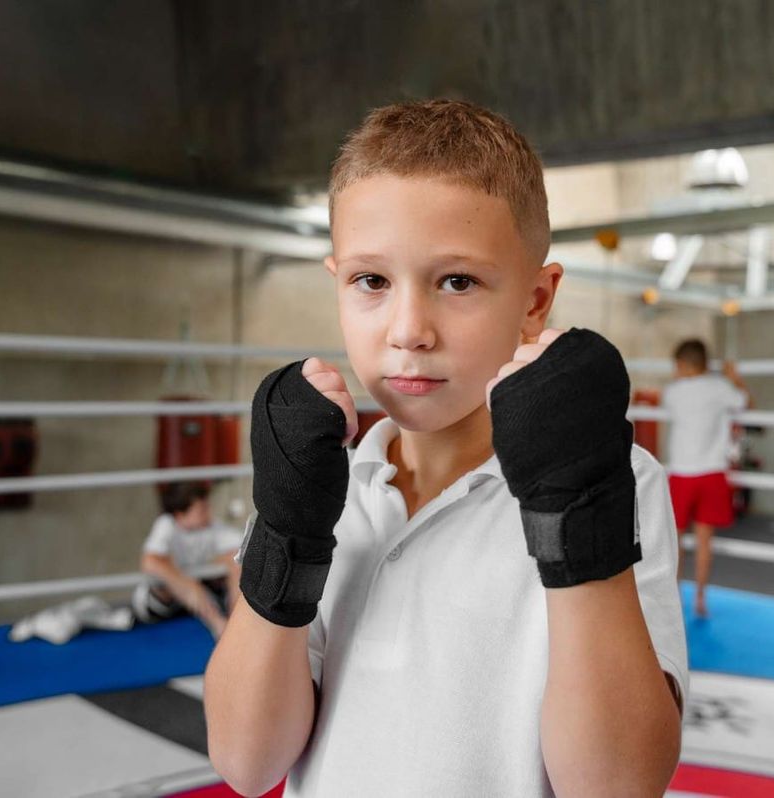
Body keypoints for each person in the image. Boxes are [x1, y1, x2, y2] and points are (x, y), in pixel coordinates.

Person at [204, 100, 686, 797]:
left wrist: (575, 516)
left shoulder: (619, 481)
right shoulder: (323, 484)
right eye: (372, 281)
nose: (409, 331)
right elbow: (246, 763)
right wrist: (286, 528)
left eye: (457, 281)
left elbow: (617, 787)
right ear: (336, 282)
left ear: (535, 300)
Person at [661, 339, 751, 618]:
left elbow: (672, 401)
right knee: (704, 541)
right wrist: (734, 378)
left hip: (682, 474)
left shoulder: (673, 392)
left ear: (682, 365)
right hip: (712, 473)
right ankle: (700, 598)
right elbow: (746, 403)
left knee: (673, 541)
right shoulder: (720, 387)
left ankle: (674, 598)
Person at [132, 481, 244, 639]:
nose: (207, 513)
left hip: (198, 597)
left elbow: (242, 550)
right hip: (160, 603)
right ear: (180, 514)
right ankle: (218, 624)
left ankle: (236, 621)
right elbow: (149, 562)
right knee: (162, 565)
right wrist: (180, 577)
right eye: (201, 510)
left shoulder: (211, 526)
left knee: (236, 560)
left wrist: (221, 562)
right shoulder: (167, 524)